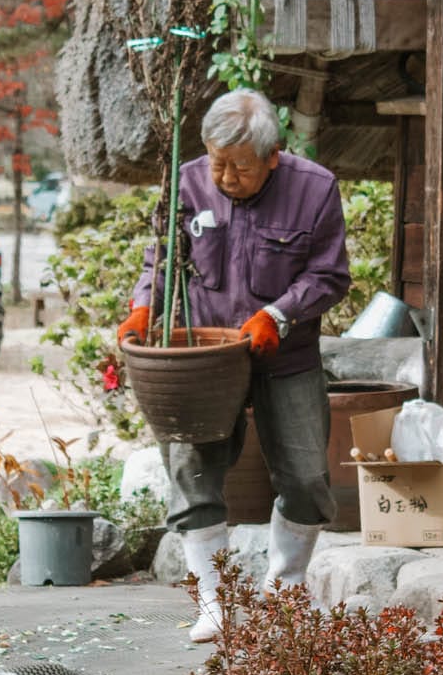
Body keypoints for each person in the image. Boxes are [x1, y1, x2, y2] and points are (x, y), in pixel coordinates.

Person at [118, 88, 350, 641]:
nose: (223, 177)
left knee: (306, 474)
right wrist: (143, 307)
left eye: (239, 167)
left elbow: (329, 276)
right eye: (217, 162)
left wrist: (279, 315)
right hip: (203, 358)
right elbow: (160, 257)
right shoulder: (188, 181)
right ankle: (214, 603)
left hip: (283, 352)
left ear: (273, 156)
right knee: (192, 471)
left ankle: (285, 592)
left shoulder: (315, 190)